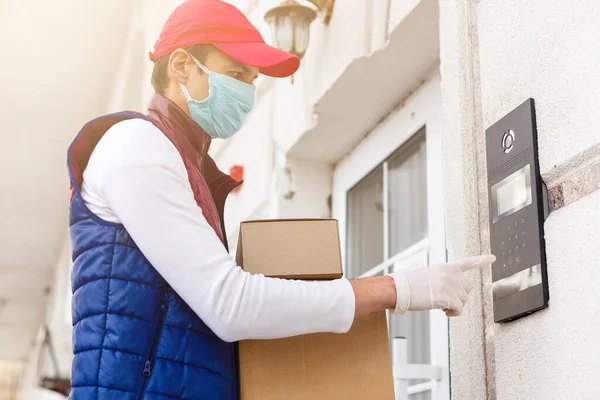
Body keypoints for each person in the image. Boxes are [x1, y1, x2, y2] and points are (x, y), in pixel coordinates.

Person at [66, 0, 495, 399]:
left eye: (252, 82)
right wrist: (397, 289)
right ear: (181, 66)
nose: (248, 95)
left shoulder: (184, 163)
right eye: (236, 75)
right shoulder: (137, 145)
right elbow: (229, 303)